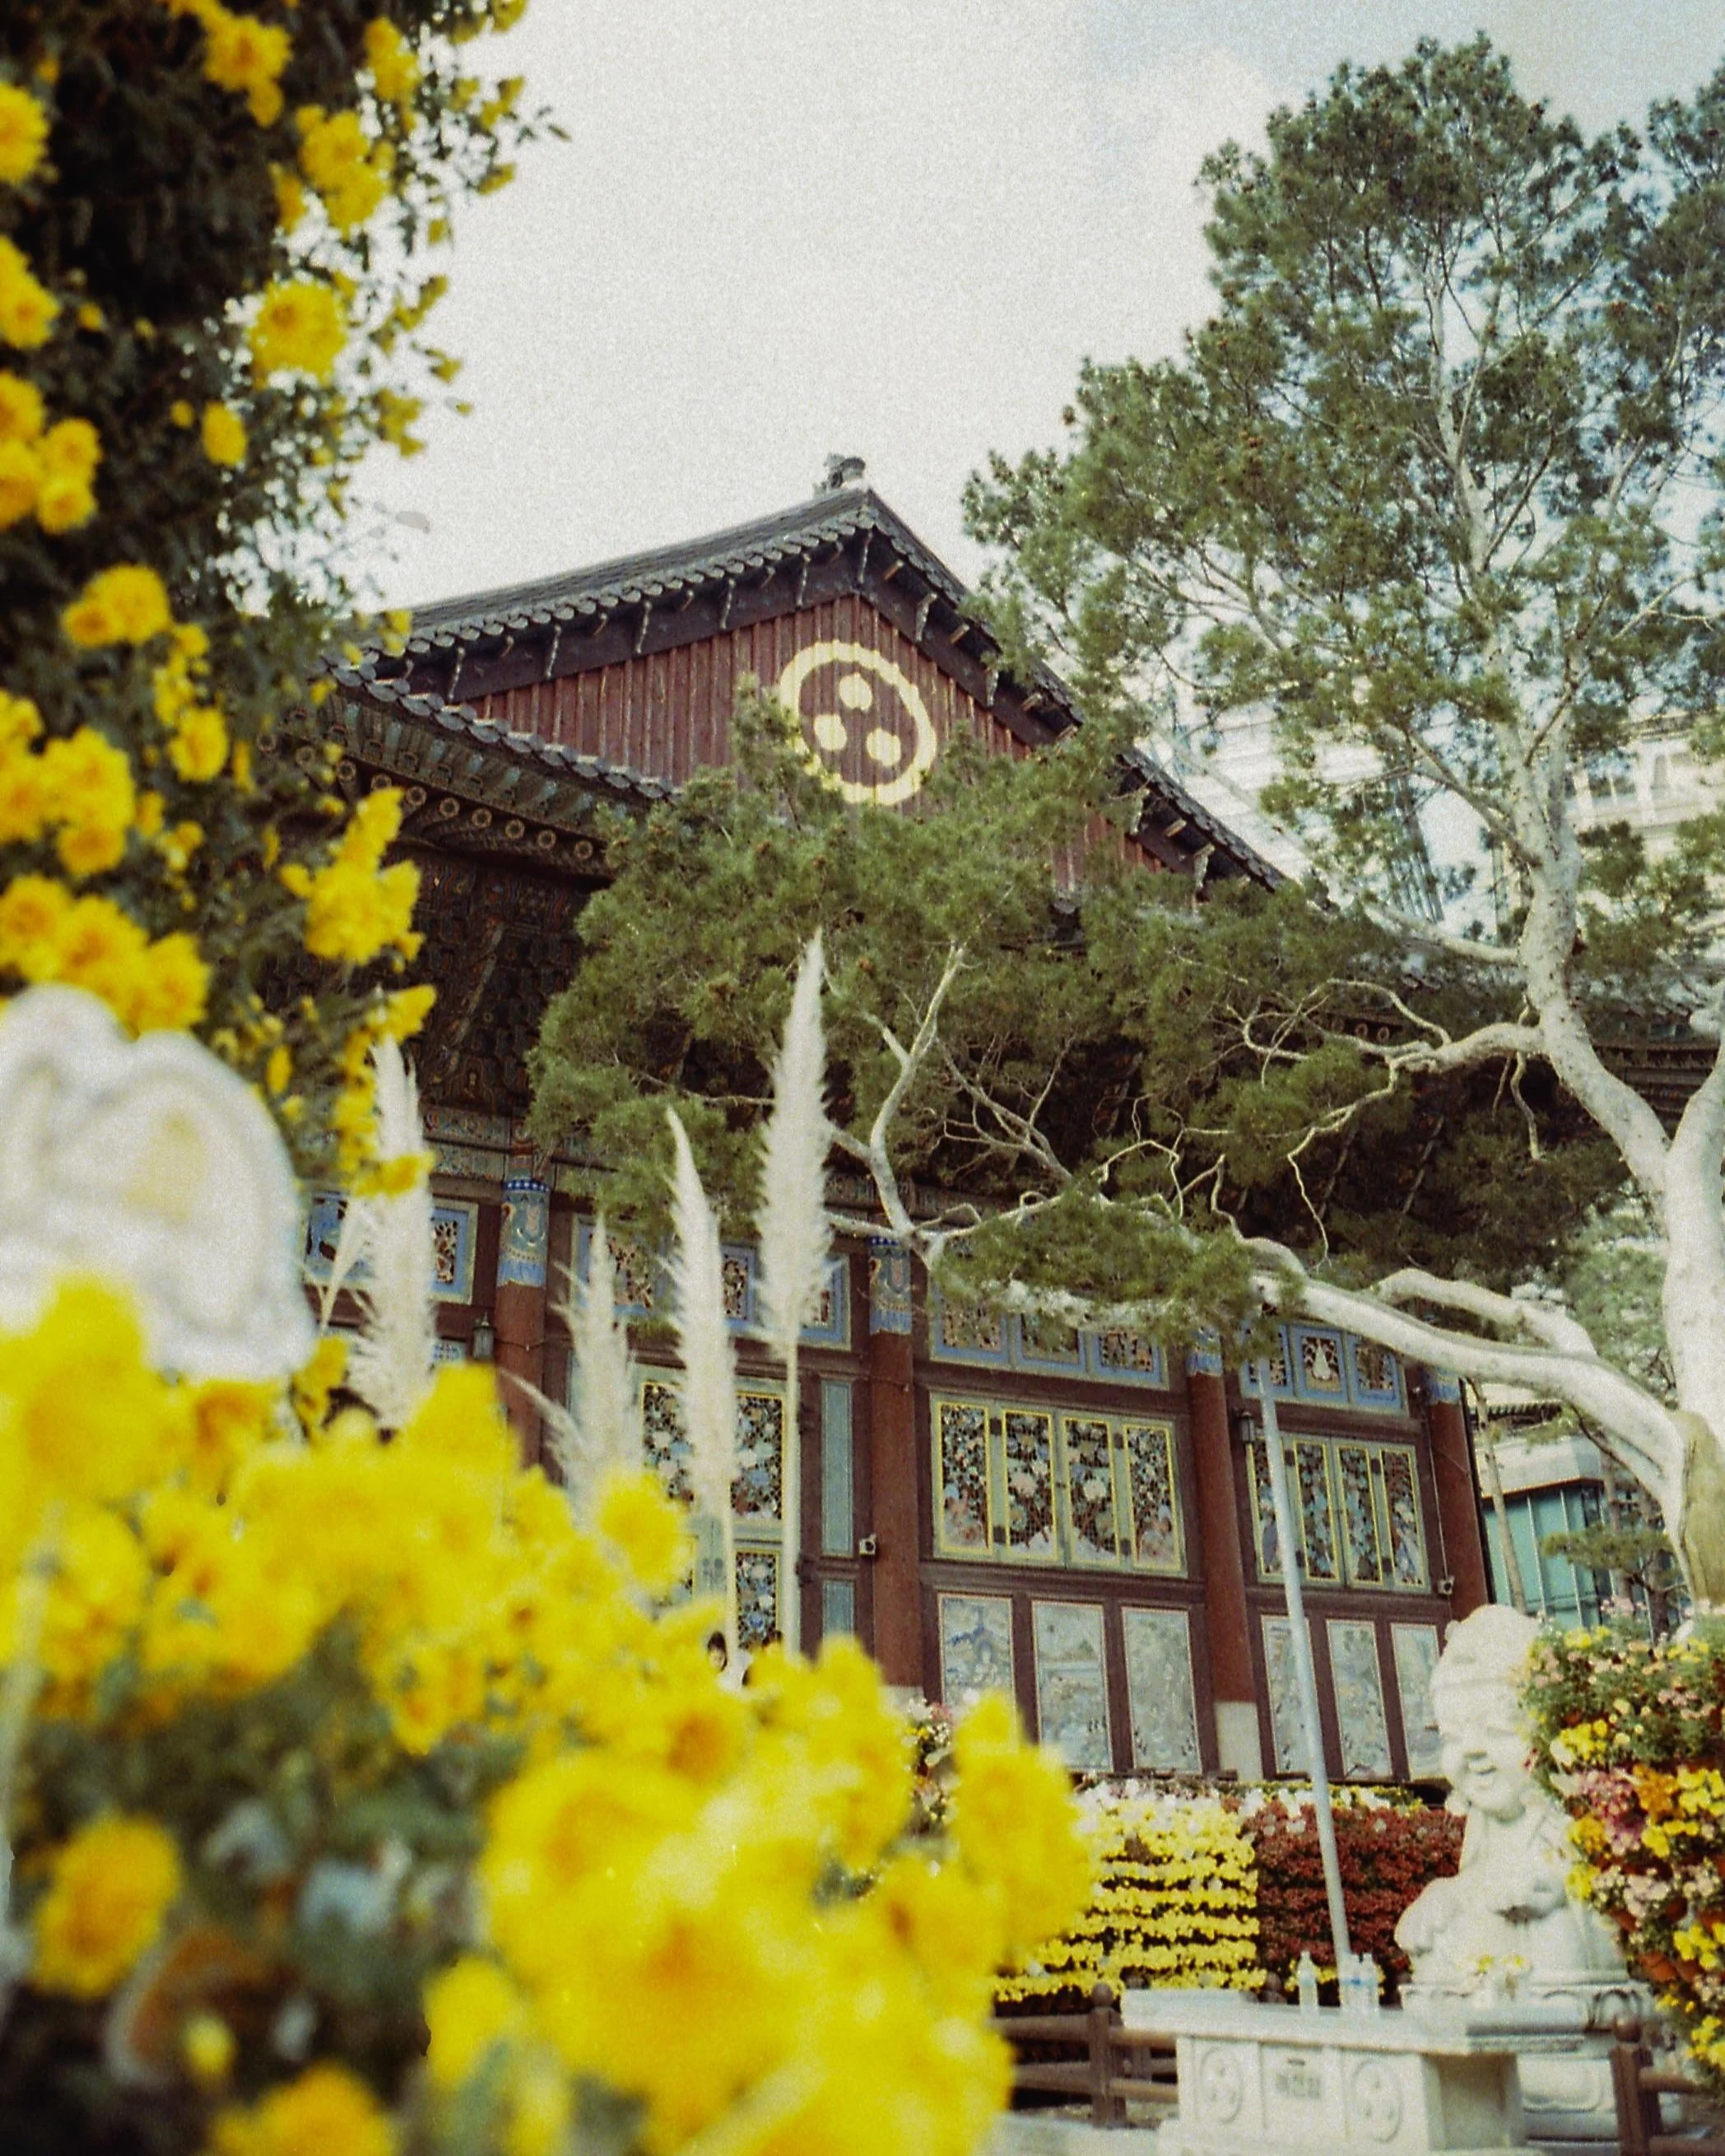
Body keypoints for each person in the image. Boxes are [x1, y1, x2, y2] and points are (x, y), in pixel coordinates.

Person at [1395, 1605, 1623, 1983]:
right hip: (1498, 1996)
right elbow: (1480, 1880)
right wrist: (1448, 1896)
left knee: (1557, 1925)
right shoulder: (1488, 1824)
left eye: (1497, 1731)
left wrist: (1557, 1884)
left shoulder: (1575, 1811)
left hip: (1571, 1991)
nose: (1472, 1751)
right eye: (1453, 1737)